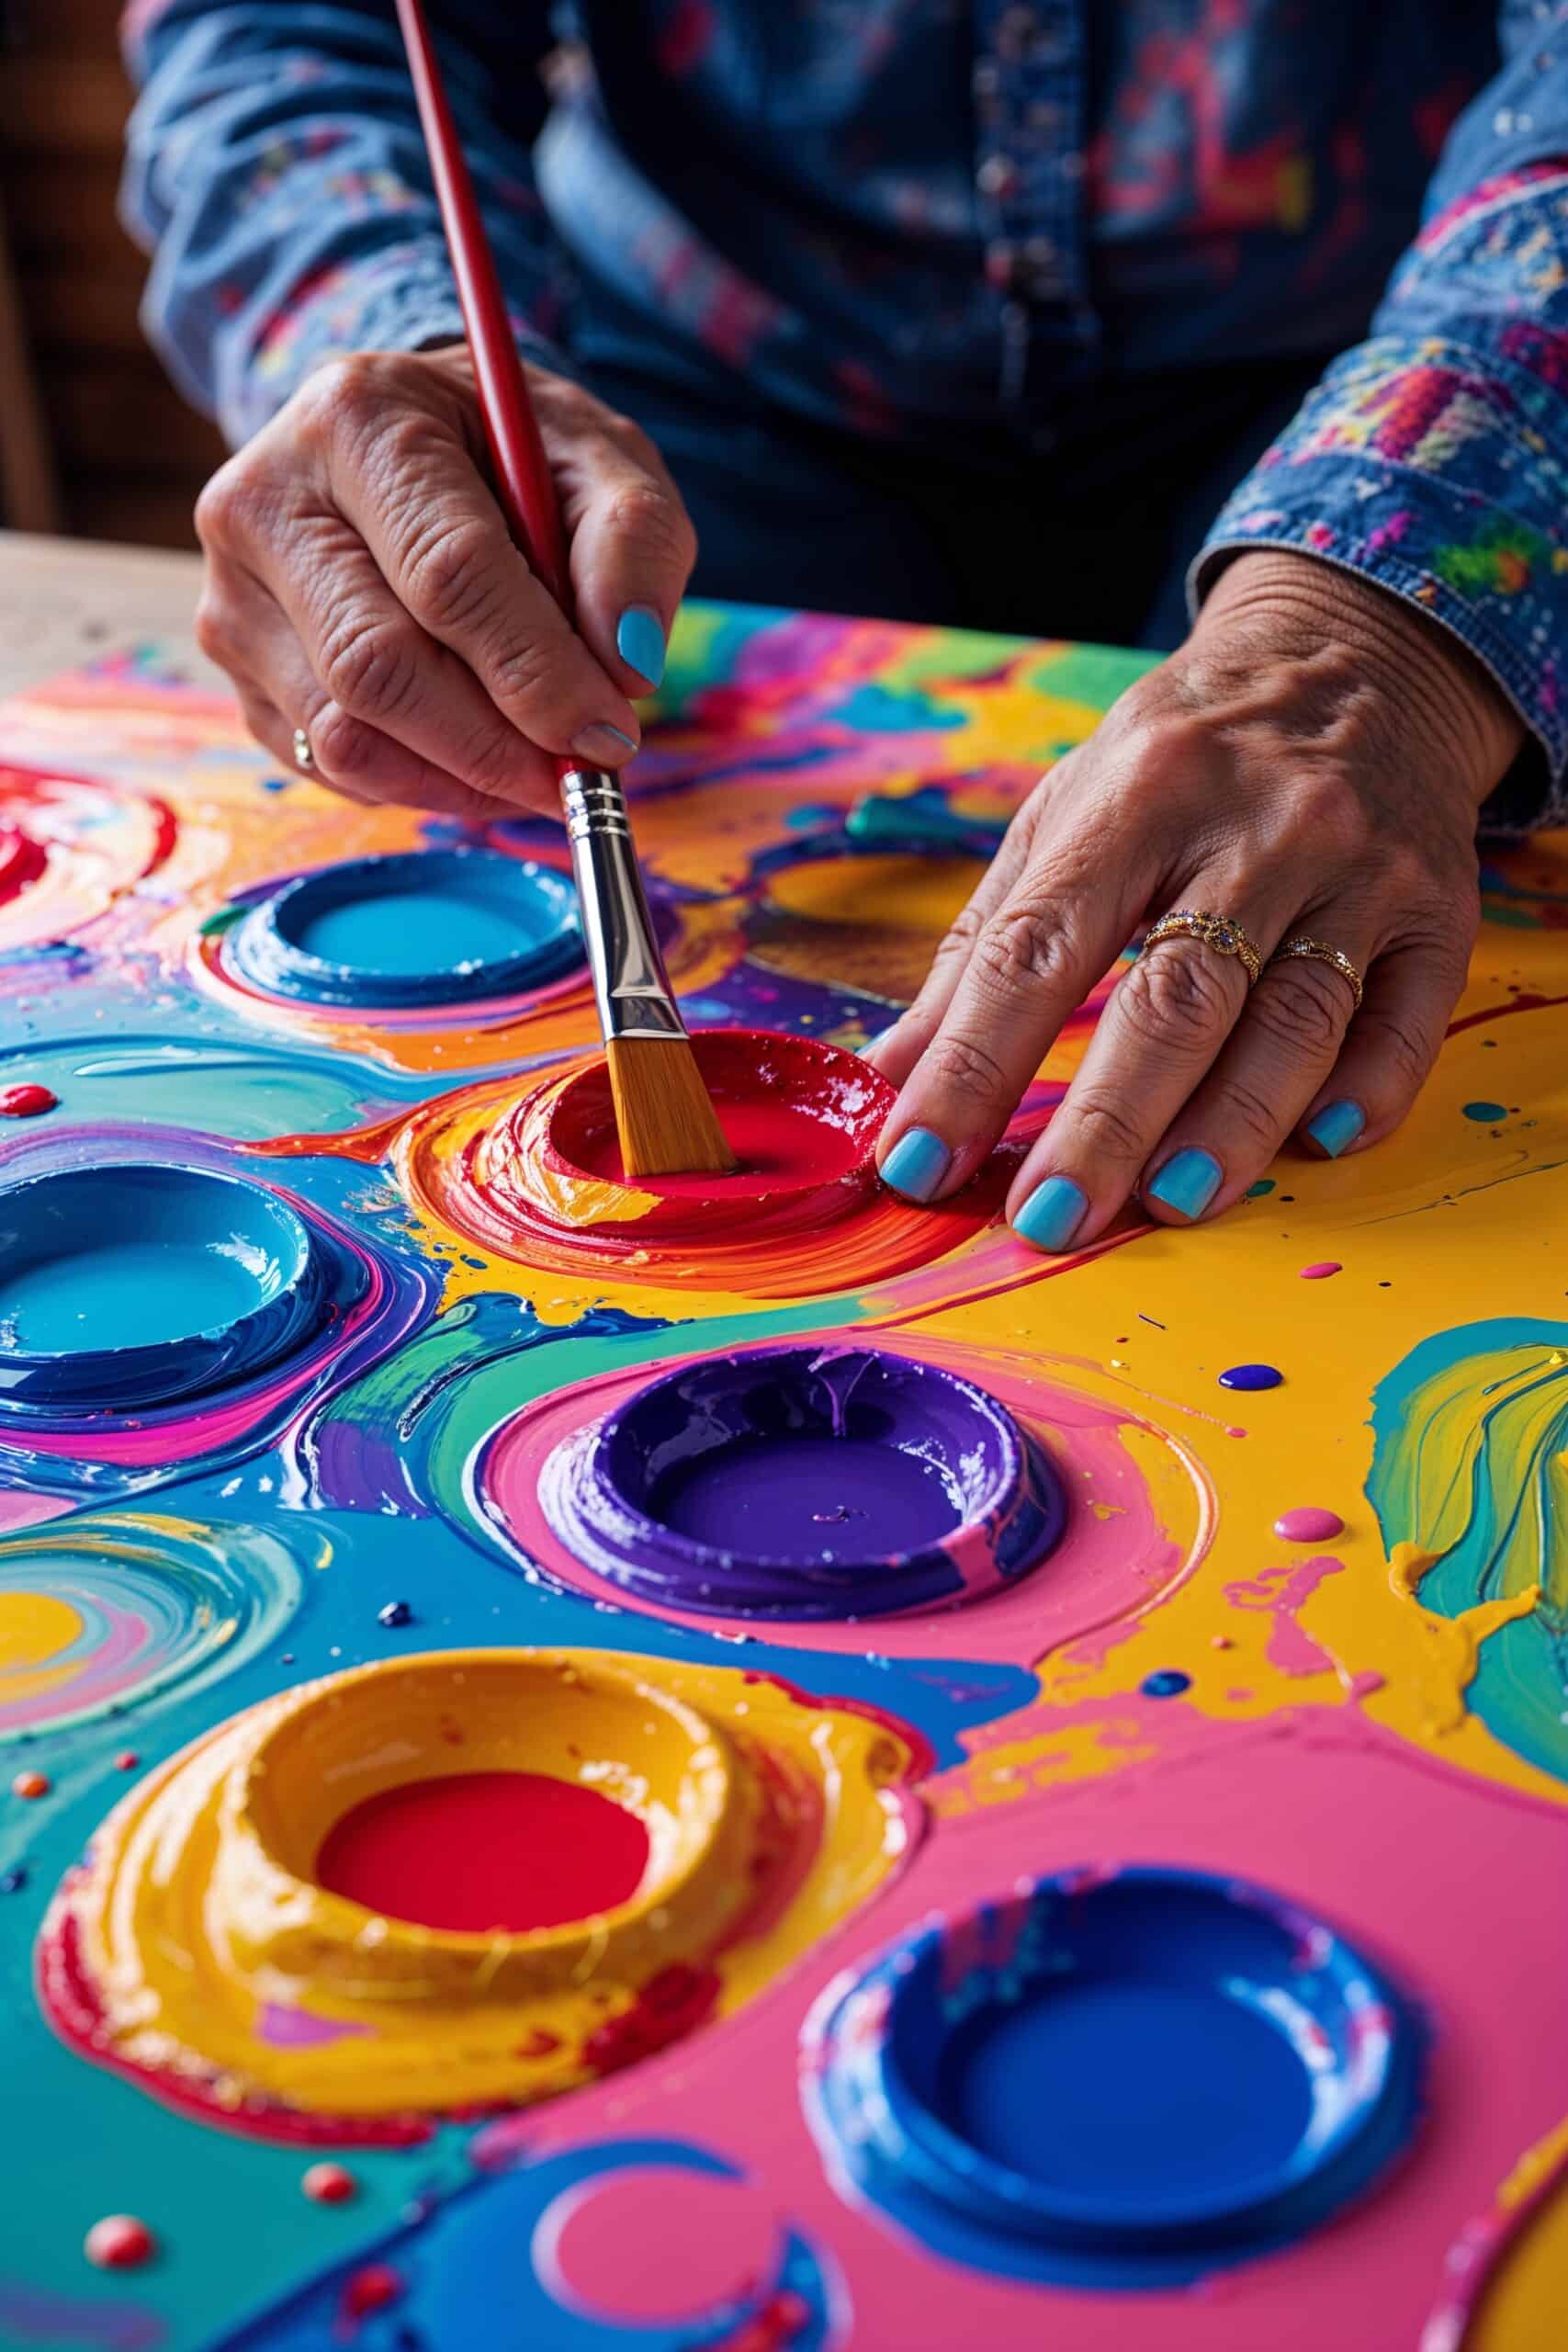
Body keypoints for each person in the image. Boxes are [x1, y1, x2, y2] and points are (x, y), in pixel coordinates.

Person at [123, 3, 1563, 1250]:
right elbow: (291, 28)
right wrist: (387, 346)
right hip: (671, 427)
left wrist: (1395, 635)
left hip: (1363, 411)